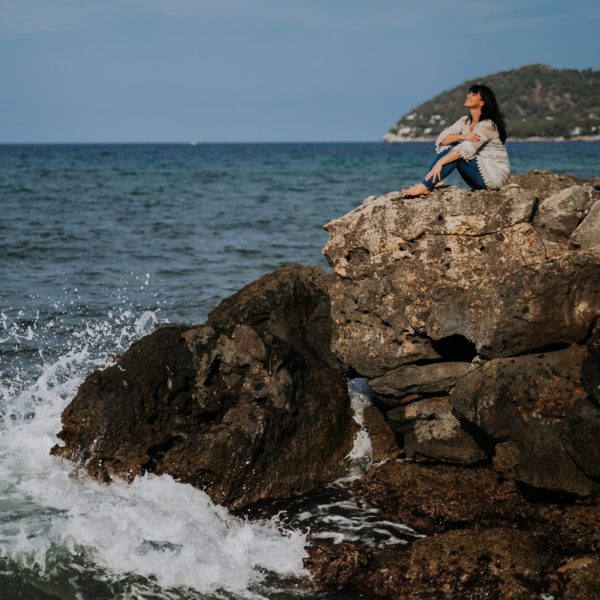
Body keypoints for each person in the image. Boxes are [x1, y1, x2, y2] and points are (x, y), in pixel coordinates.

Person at [401, 84, 510, 198]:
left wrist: (440, 162)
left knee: (457, 152)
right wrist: (461, 136)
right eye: (469, 93)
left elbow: (465, 149)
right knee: (451, 146)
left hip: (494, 176)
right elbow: (442, 140)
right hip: (477, 178)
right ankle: (428, 183)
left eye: (473, 94)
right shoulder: (464, 121)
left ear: (482, 102)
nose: (468, 95)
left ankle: (425, 186)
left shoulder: (488, 124)